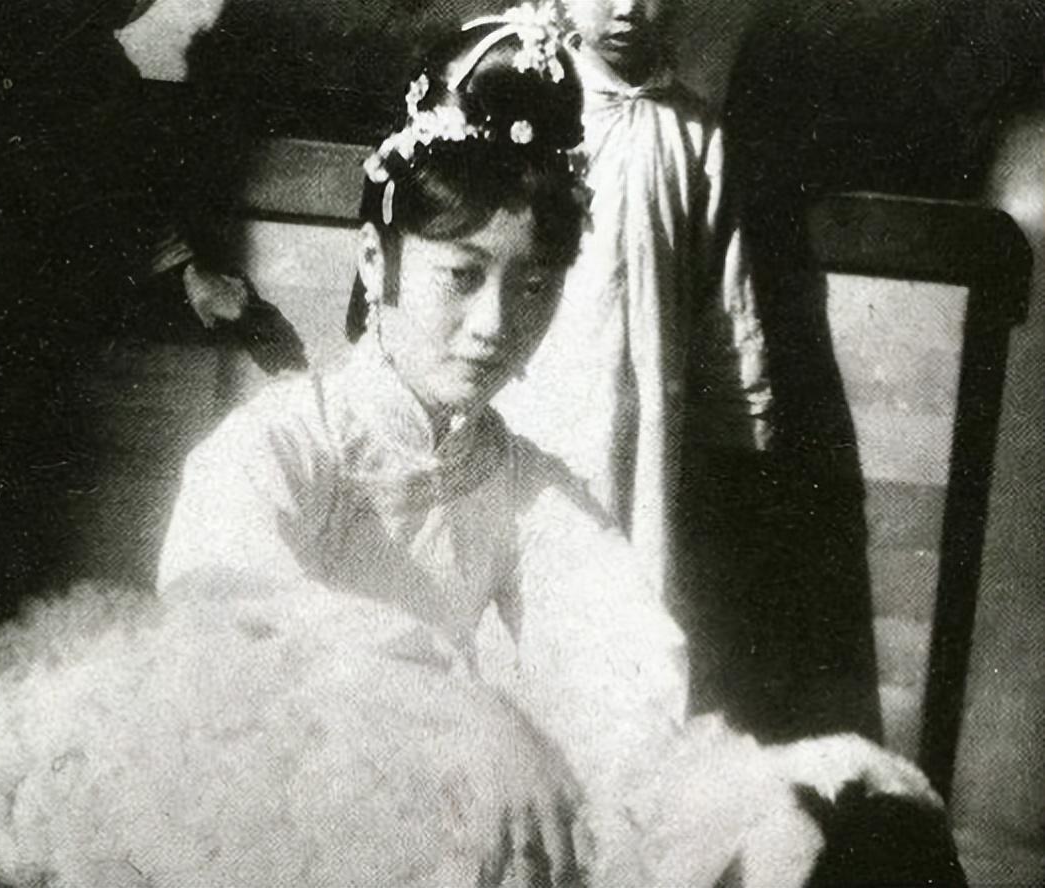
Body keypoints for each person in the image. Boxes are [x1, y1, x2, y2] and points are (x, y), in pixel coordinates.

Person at [159, 6, 941, 886]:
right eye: (461, 275)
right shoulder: (279, 445)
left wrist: (737, 806)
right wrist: (462, 713)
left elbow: (618, 669)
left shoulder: (523, 485)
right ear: (376, 261)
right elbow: (220, 605)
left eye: (535, 285)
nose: (496, 325)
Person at [491, 0, 773, 602]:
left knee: (625, 580)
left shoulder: (694, 132)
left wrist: (740, 423)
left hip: (641, 412)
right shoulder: (524, 102)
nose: (626, 9)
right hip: (532, 393)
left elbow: (725, 295)